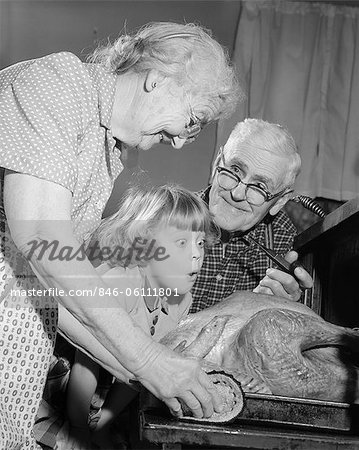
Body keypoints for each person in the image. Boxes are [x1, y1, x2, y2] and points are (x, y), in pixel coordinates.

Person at [0, 21, 240, 449]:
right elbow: (39, 236)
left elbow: (53, 290)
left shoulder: (108, 149)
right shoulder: (58, 84)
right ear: (157, 78)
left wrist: (150, 376)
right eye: (193, 121)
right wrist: (149, 360)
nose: (183, 143)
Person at [66, 184, 217, 448]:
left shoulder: (181, 301)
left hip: (108, 390)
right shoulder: (118, 283)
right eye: (182, 242)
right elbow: (85, 362)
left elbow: (144, 373)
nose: (196, 253)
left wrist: (102, 424)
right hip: (68, 385)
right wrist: (77, 431)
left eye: (201, 242)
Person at [191, 118, 313, 313]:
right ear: (216, 165)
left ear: (280, 201)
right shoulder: (167, 215)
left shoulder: (282, 238)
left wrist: (269, 311)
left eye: (260, 186)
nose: (237, 194)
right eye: (235, 170)